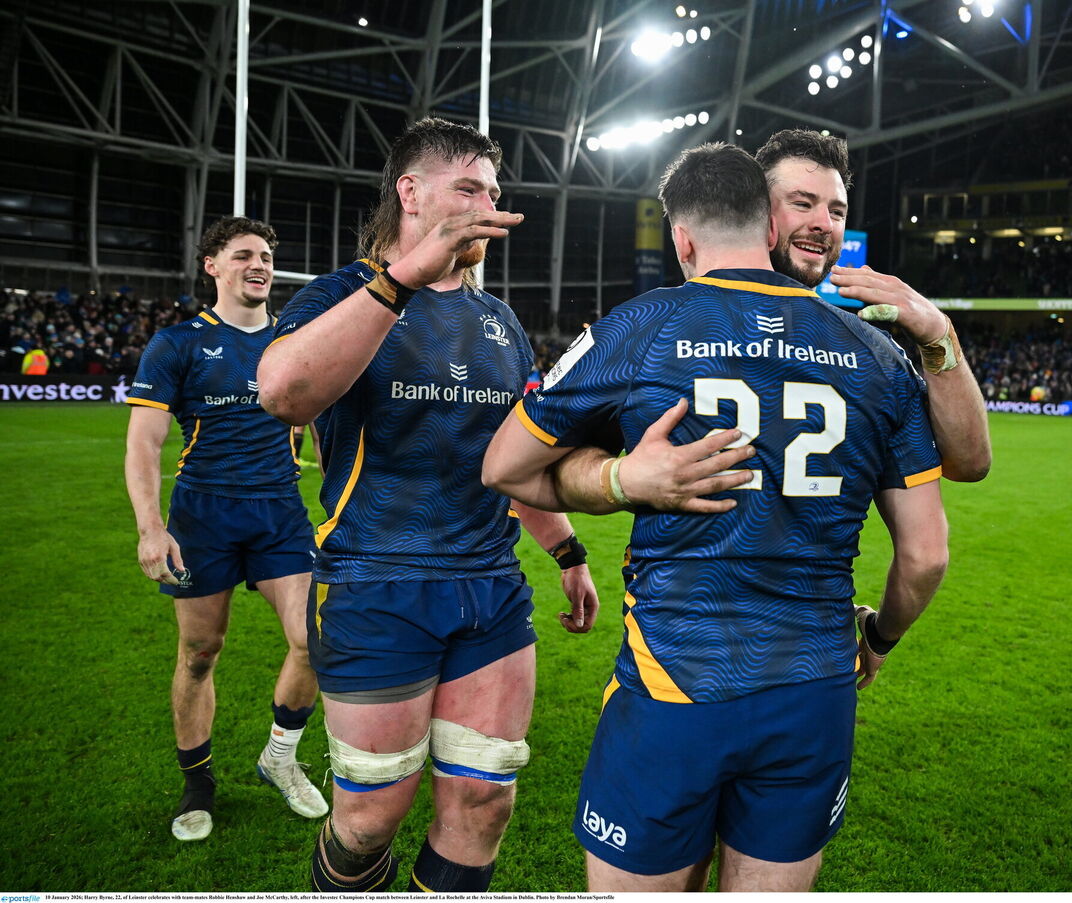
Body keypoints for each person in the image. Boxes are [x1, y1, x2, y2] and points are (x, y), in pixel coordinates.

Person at [483, 142, 949, 892]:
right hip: (814, 688)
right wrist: (879, 636)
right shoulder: (878, 355)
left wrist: (623, 478)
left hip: (677, 681)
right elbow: (926, 555)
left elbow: (502, 468)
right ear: (769, 226)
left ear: (682, 237)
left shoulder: (639, 327)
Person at [256, 117, 599, 894]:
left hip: (490, 591)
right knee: (370, 819)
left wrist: (567, 551)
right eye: (470, 188)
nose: (489, 204)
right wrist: (403, 276)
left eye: (495, 192)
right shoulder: (344, 293)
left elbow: (512, 457)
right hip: (376, 585)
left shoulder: (501, 322)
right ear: (410, 191)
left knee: (483, 802)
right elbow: (281, 391)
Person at [123, 215, 327, 843]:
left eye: (266, 255)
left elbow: (323, 425)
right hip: (203, 518)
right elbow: (144, 445)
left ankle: (279, 757)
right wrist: (152, 528)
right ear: (212, 266)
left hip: (278, 514)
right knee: (199, 653)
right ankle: (198, 782)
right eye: (243, 255)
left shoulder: (295, 342)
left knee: (315, 639)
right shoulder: (178, 343)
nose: (259, 264)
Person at [755, 129, 991, 483]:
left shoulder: (873, 353)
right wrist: (635, 479)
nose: (824, 225)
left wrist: (940, 334)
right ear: (754, 210)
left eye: (837, 212)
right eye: (802, 203)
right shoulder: (675, 325)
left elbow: (970, 463)